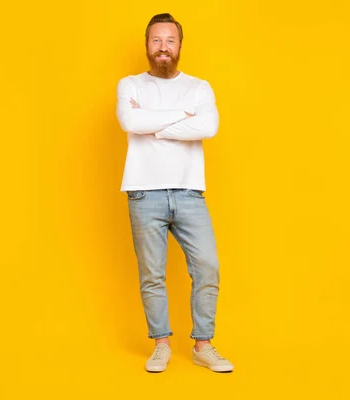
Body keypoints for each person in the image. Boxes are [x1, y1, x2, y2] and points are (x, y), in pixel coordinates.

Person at [116, 13, 233, 373]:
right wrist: (182, 118)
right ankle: (161, 344)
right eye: (156, 40)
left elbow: (208, 126)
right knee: (152, 273)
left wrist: (157, 125)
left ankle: (203, 344)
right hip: (142, 191)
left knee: (208, 267)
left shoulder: (198, 88)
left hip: (188, 191)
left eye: (170, 40)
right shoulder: (130, 84)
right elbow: (131, 122)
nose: (163, 47)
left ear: (180, 46)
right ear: (147, 45)